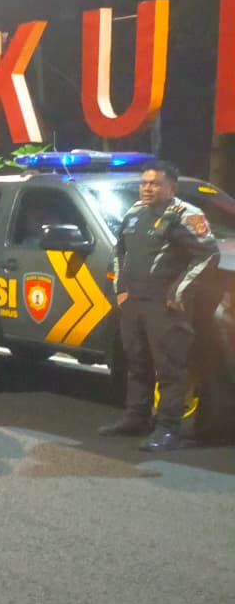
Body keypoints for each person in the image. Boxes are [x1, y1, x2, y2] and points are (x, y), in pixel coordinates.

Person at [98, 161, 219, 452]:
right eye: (144, 183)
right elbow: (119, 251)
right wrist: (121, 290)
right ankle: (136, 418)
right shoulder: (135, 212)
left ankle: (167, 430)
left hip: (166, 306)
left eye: (155, 183)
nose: (147, 188)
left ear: (171, 188)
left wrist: (178, 291)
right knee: (136, 362)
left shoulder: (186, 215)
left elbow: (208, 255)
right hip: (135, 302)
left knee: (169, 369)